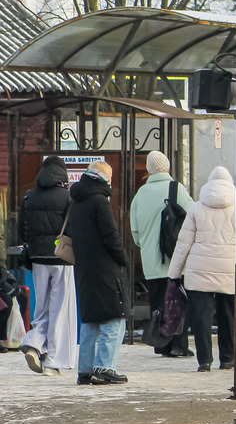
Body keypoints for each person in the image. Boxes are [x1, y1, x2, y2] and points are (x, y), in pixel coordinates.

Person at [166, 167, 236, 371]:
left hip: (199, 270)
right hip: (229, 270)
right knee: (228, 315)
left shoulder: (196, 208)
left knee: (201, 318)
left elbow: (183, 243)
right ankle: (228, 358)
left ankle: (204, 361)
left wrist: (174, 274)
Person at [129, 150, 195, 357]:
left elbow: (135, 232)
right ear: (167, 166)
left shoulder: (140, 195)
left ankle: (161, 344)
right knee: (178, 299)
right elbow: (193, 218)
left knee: (158, 301)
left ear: (149, 169)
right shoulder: (177, 189)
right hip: (176, 256)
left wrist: (147, 247)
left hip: (151, 260)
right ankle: (178, 345)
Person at [15, 155, 76, 376]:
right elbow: (73, 230)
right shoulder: (68, 197)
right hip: (62, 258)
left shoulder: (30, 197)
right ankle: (52, 360)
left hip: (38, 258)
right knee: (59, 309)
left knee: (42, 306)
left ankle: (33, 342)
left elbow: (22, 230)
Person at [69, 160, 129, 385]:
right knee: (115, 317)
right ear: (105, 178)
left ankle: (85, 370)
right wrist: (124, 259)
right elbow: (110, 236)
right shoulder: (99, 201)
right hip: (105, 268)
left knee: (91, 320)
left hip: (84, 267)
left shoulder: (76, 200)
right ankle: (104, 368)